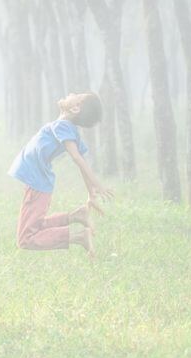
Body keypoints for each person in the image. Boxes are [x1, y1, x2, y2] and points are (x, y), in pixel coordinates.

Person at [9, 92, 114, 257]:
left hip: (37, 183)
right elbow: (80, 160)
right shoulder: (67, 128)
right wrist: (90, 194)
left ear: (75, 108)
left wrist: (96, 185)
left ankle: (79, 237)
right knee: (36, 226)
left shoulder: (63, 126)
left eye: (76, 95)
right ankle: (76, 216)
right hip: (37, 182)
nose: (71, 93)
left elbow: (77, 158)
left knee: (26, 239)